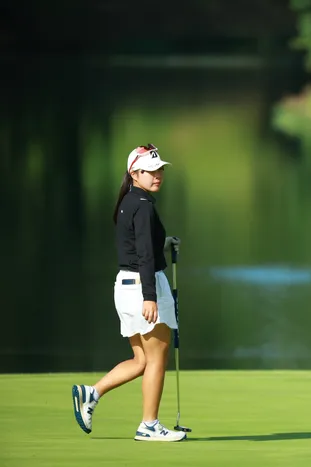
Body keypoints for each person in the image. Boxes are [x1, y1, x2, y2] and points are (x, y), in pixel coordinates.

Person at [71, 144, 186, 442]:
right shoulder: (143, 205)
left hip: (126, 285)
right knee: (157, 357)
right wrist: (150, 296)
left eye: (160, 170)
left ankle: (92, 393)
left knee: (141, 360)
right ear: (135, 173)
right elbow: (144, 255)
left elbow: (136, 247)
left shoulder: (130, 201)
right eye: (151, 171)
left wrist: (164, 243)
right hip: (142, 288)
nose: (158, 175)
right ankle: (149, 425)